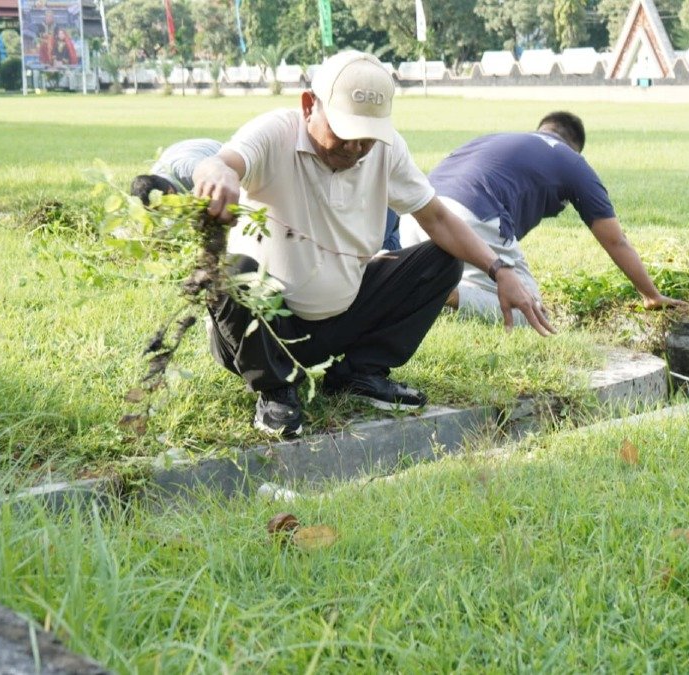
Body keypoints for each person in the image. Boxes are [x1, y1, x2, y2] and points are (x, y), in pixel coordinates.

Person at [191, 50, 553, 438]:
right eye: (345, 133)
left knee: (442, 261)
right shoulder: (274, 132)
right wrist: (218, 173)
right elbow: (220, 163)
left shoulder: (386, 149)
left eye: (367, 138)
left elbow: (438, 218)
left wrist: (500, 270)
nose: (355, 148)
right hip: (264, 331)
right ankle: (275, 388)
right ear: (309, 105)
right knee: (229, 273)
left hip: (338, 321)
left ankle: (358, 372)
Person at [398, 112, 687, 326]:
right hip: (468, 215)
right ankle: (445, 294)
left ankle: (425, 289)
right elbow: (615, 240)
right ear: (574, 146)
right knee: (532, 312)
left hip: (419, 215)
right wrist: (650, 295)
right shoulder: (570, 160)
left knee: (480, 284)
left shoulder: (500, 138)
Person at [130, 138, 401, 251]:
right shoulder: (155, 185)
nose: (168, 212)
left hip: (227, 160)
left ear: (168, 191)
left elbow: (223, 178)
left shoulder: (188, 169)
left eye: (166, 206)